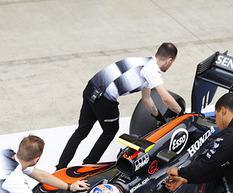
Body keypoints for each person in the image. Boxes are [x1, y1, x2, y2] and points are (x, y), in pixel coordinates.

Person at [57, 42, 181, 170]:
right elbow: (165, 98)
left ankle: (60, 167)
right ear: (169, 60)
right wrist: (181, 113)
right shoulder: (152, 71)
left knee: (81, 131)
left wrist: (158, 117)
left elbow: (147, 99)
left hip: (91, 88)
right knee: (110, 131)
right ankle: (88, 166)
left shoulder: (143, 61)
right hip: (104, 99)